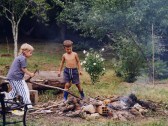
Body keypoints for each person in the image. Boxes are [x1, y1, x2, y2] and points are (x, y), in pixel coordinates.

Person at [6, 43, 35, 108]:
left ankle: (5, 102)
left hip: (11, 77)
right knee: (24, 90)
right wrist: (30, 74)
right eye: (30, 52)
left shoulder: (19, 57)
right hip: (16, 78)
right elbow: (23, 69)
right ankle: (28, 105)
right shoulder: (22, 58)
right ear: (25, 51)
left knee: (15, 91)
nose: (31, 54)